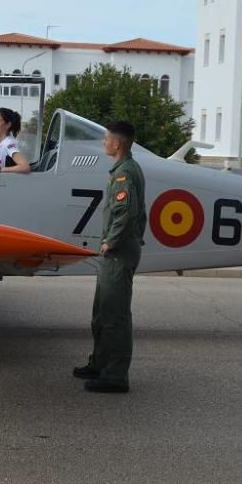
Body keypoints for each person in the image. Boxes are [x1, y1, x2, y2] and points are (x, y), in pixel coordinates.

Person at [73, 121, 146, 393]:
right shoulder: (121, 169)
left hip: (118, 252)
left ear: (117, 144)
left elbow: (126, 212)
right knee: (101, 313)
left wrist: (110, 242)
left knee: (114, 317)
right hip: (114, 253)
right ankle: (99, 364)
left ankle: (115, 376)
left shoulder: (125, 172)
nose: (104, 143)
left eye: (106, 139)